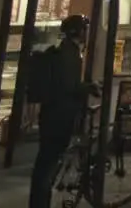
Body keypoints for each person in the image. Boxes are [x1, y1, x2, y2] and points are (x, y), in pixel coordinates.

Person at [29, 15, 94, 208]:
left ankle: (40, 202)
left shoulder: (66, 50)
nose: (86, 33)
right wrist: (87, 88)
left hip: (54, 113)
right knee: (47, 164)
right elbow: (68, 86)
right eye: (84, 29)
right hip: (58, 115)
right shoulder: (69, 53)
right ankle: (39, 204)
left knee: (46, 162)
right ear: (78, 32)